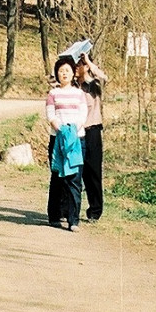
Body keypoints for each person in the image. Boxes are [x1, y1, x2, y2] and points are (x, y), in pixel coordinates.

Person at [44, 54, 87, 230]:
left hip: (77, 139)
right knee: (57, 177)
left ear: (73, 74)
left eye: (67, 70)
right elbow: (50, 114)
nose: (64, 74)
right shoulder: (53, 94)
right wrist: (61, 129)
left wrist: (72, 130)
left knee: (75, 180)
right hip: (57, 138)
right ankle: (54, 216)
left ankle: (73, 220)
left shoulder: (79, 94)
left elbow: (83, 115)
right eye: (61, 71)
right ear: (57, 74)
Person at [75, 52, 108, 222]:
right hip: (76, 133)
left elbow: (104, 78)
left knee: (93, 173)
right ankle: (70, 208)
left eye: (78, 65)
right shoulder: (73, 87)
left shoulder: (93, 86)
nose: (75, 68)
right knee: (74, 172)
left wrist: (88, 61)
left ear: (86, 67)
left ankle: (95, 211)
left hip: (92, 131)